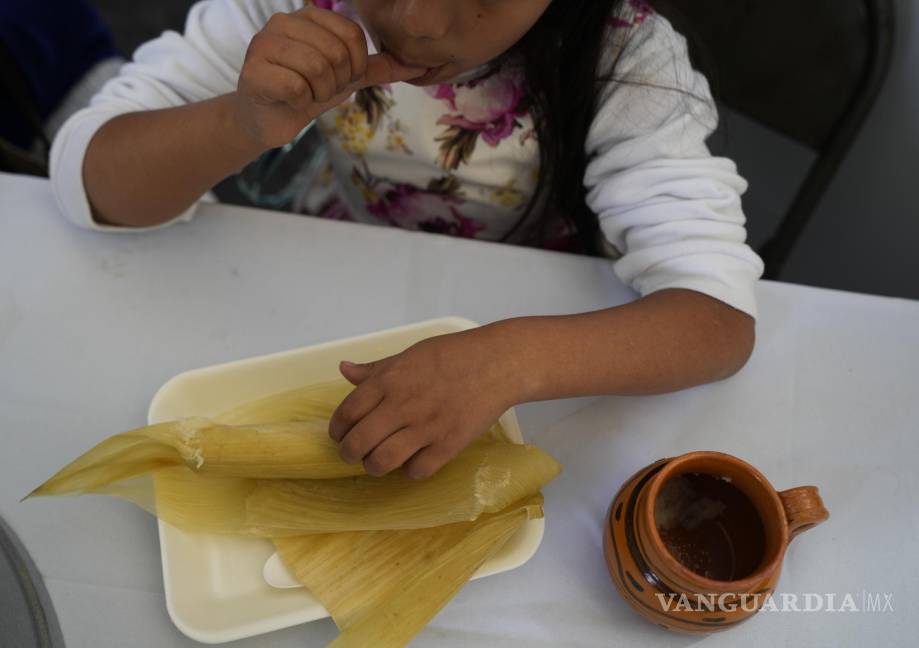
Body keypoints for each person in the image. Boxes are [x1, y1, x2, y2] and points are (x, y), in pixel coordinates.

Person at [50, 0, 764, 480]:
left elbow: (715, 316)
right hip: (332, 267)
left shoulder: (623, 56)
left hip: (541, 313)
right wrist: (242, 122)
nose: (417, 20)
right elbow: (96, 186)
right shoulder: (286, 8)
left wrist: (508, 363)